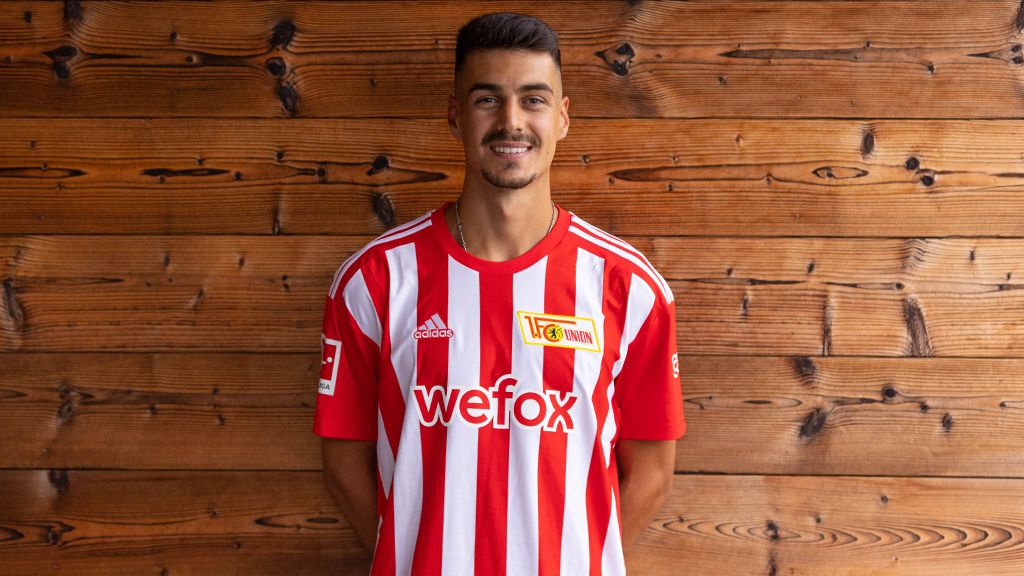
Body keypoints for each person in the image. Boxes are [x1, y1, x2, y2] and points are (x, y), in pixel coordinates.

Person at [314, 12, 686, 576]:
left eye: (534, 100)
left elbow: (652, 476)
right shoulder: (374, 281)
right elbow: (345, 467)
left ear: (562, 118)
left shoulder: (630, 289)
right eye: (488, 99)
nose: (512, 121)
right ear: (455, 113)